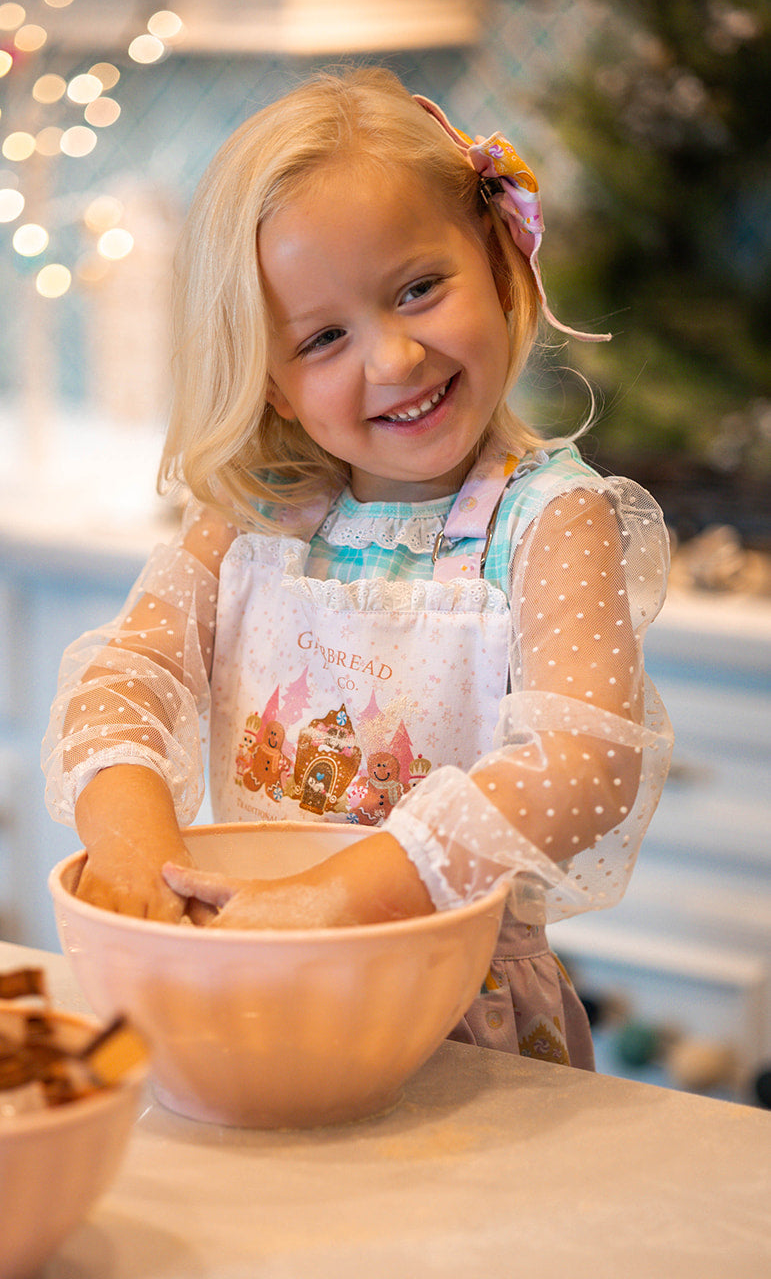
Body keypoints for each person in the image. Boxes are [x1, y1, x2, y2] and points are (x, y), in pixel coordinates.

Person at [42, 67, 674, 1067]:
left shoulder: (551, 522)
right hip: (255, 995)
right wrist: (133, 856)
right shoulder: (250, 517)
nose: (389, 359)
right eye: (324, 336)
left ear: (502, 269)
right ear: (275, 385)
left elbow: (583, 763)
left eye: (417, 289)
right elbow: (130, 676)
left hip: (457, 1026)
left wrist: (340, 896)